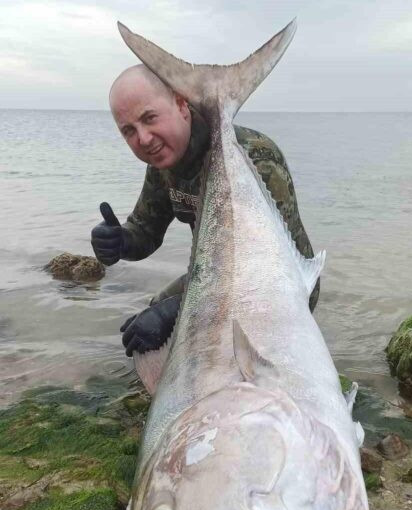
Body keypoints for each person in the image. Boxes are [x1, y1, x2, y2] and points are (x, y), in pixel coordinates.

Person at [91, 65, 319, 357]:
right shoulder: (164, 164)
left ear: (181, 104)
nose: (144, 139)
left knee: (194, 330)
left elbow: (265, 273)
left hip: (283, 289)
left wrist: (176, 311)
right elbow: (146, 232)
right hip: (215, 280)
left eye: (149, 118)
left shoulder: (254, 156)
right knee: (150, 321)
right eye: (129, 131)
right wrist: (120, 242)